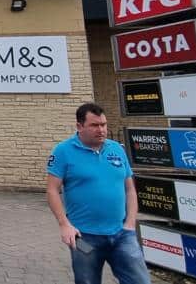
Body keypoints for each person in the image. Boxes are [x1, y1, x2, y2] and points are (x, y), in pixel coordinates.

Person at [46, 103, 149, 284]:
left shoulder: (117, 149)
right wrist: (64, 225)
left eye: (103, 124)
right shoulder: (63, 151)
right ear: (79, 126)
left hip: (122, 234)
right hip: (84, 237)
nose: (101, 130)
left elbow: (130, 189)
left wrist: (130, 223)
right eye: (94, 125)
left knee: (140, 281)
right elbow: (52, 190)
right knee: (87, 280)